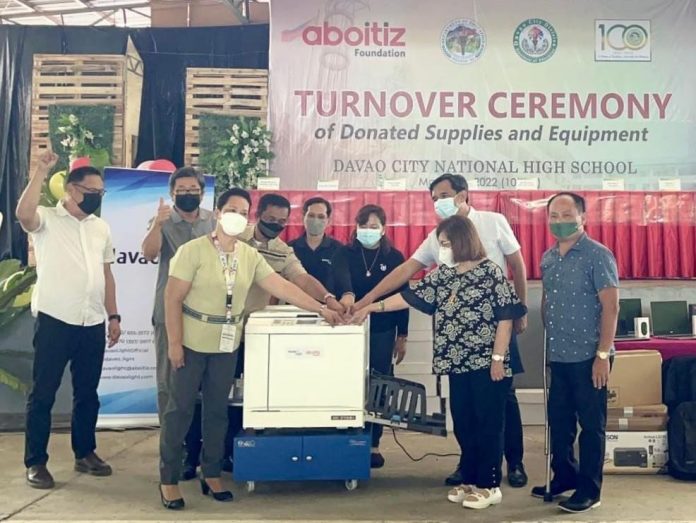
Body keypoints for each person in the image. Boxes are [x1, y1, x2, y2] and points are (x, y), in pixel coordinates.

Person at [159, 187, 343, 510]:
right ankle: (169, 478)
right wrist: (174, 343)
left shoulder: (250, 256)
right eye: (232, 210)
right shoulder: (192, 251)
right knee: (180, 410)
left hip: (227, 341)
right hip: (190, 342)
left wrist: (321, 307)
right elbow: (172, 298)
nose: (238, 217)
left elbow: (283, 285)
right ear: (217, 213)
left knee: (218, 411)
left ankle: (212, 472)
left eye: (243, 212)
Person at [353, 173, 530, 488]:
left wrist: (519, 313)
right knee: (464, 409)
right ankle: (470, 466)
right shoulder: (438, 246)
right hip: (456, 347)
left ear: (463, 194)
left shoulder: (492, 223)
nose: (438, 202)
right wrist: (368, 302)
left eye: (443, 195)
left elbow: (517, 264)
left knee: (501, 402)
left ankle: (512, 463)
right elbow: (408, 276)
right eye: (433, 198)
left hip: (494, 336)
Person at [16, 150, 121, 489]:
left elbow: (107, 274)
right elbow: (23, 214)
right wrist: (40, 171)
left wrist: (114, 315)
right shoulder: (46, 218)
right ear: (72, 190)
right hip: (54, 320)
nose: (97, 198)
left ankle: (85, 452)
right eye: (92, 193)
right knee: (43, 394)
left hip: (91, 322)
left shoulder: (100, 227)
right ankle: (36, 462)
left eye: (101, 194)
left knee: (88, 393)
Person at [531, 192, 619, 514]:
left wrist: (602, 354)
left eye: (567, 215)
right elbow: (547, 299)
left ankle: (589, 490)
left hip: (589, 356)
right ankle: (564, 476)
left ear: (582, 218)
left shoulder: (598, 255)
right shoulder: (548, 257)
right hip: (559, 354)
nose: (559, 221)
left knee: (591, 426)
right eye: (553, 215)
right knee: (560, 422)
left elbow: (611, 306)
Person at [141, 166, 214, 480]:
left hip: (207, 314)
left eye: (192, 189)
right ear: (172, 194)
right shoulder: (163, 220)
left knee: (202, 387)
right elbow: (148, 253)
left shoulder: (214, 221)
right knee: (169, 386)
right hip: (169, 313)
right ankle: (174, 453)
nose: (187, 194)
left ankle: (200, 452)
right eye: (181, 190)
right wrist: (157, 224)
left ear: (201, 191)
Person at [335, 204, 409, 468]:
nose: (368, 231)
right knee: (348, 382)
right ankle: (348, 436)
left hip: (383, 330)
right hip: (349, 328)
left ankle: (374, 443)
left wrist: (403, 335)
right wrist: (349, 297)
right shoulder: (344, 253)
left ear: (384, 229)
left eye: (374, 226)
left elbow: (403, 296)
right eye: (363, 225)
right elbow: (342, 280)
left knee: (379, 385)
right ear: (356, 227)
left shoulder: (395, 257)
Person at [288, 196, 351, 299]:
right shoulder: (289, 248)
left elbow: (344, 284)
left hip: (329, 309)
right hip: (294, 308)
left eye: (321, 217)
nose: (315, 220)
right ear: (303, 217)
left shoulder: (339, 250)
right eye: (311, 215)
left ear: (328, 220)